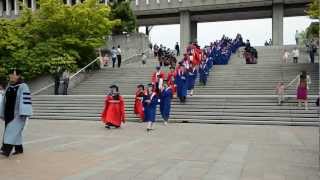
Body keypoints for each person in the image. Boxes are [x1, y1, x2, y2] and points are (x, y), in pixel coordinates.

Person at [0, 68, 32, 157]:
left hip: (18, 114)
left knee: (10, 131)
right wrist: (2, 113)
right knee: (15, 132)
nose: (11, 76)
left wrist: (24, 112)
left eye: (13, 74)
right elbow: (4, 101)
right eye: (10, 74)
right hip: (8, 113)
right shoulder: (9, 86)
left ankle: (6, 150)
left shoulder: (23, 86)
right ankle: (19, 148)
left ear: (18, 76)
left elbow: (26, 100)